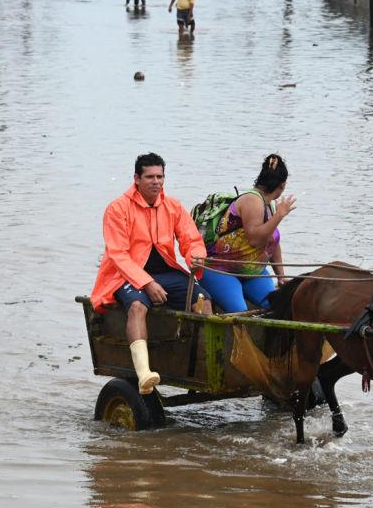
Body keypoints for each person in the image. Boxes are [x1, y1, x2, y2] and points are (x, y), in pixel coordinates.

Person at [90, 153, 213, 395]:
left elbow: (191, 240)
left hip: (165, 272)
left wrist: (196, 256)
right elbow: (118, 254)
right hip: (124, 275)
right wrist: (147, 283)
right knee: (137, 307)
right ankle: (144, 374)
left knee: (204, 301)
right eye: (150, 177)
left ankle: (202, 366)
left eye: (160, 176)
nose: (156, 182)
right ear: (136, 178)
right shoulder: (118, 208)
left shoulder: (173, 206)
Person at [199, 155, 296, 312]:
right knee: (240, 311)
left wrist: (281, 276)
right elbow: (255, 240)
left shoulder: (269, 205)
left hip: (253, 272)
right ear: (283, 186)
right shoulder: (252, 200)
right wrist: (279, 216)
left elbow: (272, 242)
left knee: (277, 306)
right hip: (220, 270)